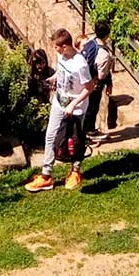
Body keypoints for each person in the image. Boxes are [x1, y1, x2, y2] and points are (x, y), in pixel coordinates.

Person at [25, 28, 92, 192]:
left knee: (75, 141)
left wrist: (73, 104)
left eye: (56, 47)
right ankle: (46, 176)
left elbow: (89, 87)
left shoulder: (80, 64)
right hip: (58, 102)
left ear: (65, 46)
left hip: (76, 109)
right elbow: (62, 69)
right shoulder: (61, 56)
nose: (54, 50)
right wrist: (54, 78)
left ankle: (75, 171)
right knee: (50, 136)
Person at [80, 18, 115, 137]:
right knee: (92, 108)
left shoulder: (91, 41)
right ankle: (88, 132)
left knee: (85, 108)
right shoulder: (104, 53)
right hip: (93, 85)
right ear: (107, 34)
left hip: (82, 79)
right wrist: (108, 81)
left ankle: (83, 132)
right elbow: (101, 75)